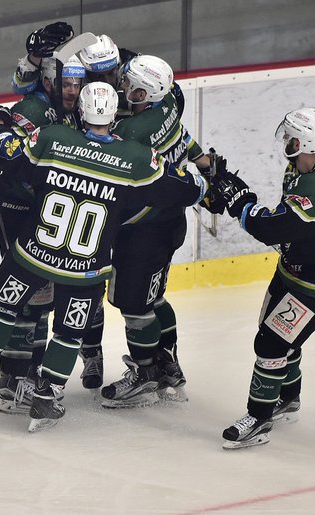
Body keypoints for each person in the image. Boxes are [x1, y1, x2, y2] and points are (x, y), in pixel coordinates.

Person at [0, 83, 208, 432]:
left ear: (83, 111)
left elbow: (12, 153)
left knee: (3, 305)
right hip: (86, 266)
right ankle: (47, 397)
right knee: (69, 333)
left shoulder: (55, 137)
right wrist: (206, 186)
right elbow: (178, 186)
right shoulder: (133, 157)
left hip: (35, 253)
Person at [202, 108, 315, 449]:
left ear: (304, 142)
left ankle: (259, 417)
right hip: (295, 265)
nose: (285, 142)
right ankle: (288, 397)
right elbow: (290, 222)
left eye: (291, 137)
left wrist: (240, 202)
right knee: (273, 332)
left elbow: (270, 227)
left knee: (271, 343)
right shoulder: (304, 166)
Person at [0, 55, 87, 412]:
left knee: (41, 300)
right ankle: (13, 378)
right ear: (48, 83)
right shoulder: (36, 106)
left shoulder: (67, 111)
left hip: (41, 217)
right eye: (65, 84)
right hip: (17, 215)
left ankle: (25, 372)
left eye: (76, 85)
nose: (72, 91)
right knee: (27, 302)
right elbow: (0, 130)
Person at [101, 55, 218, 408]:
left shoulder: (131, 131)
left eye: (129, 86)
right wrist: (207, 166)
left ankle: (145, 374)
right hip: (170, 223)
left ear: (143, 93)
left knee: (134, 305)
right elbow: (185, 139)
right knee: (155, 299)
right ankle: (169, 367)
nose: (123, 89)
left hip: (142, 230)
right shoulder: (168, 103)